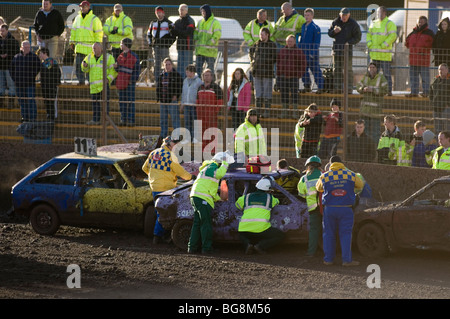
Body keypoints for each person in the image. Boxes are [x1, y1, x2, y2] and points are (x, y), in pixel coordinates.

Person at [142, 136, 195, 244]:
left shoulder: (154, 153)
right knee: (165, 213)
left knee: (159, 211)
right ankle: (158, 236)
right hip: (166, 188)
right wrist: (191, 177)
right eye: (175, 144)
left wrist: (154, 176)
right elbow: (181, 172)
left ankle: (159, 235)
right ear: (169, 144)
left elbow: (144, 168)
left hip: (154, 187)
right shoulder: (170, 156)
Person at [316, 155, 364, 266]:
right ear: (342, 163)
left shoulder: (325, 176)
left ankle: (328, 260)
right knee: (346, 234)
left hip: (329, 209)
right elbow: (360, 185)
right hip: (346, 208)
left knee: (328, 234)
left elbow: (319, 188)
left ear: (330, 163)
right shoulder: (350, 174)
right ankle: (346, 260)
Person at [189, 151, 232, 254]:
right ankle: (206, 248)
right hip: (202, 199)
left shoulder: (207, 168)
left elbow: (210, 189)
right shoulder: (212, 168)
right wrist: (225, 163)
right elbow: (220, 174)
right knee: (206, 224)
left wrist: (218, 198)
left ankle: (192, 248)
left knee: (197, 223)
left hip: (197, 197)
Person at [236, 176, 284, 255]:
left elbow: (237, 205)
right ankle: (260, 246)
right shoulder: (270, 198)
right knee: (280, 236)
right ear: (268, 189)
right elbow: (277, 202)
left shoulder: (246, 197)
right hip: (262, 229)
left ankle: (248, 245)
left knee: (241, 235)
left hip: (245, 229)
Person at [81, 42, 117, 125]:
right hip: (94, 86)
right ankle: (95, 120)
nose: (93, 50)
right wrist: (84, 66)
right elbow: (84, 69)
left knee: (105, 104)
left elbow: (113, 71)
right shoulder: (89, 57)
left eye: (95, 48)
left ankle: (106, 120)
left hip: (104, 85)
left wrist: (108, 79)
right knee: (95, 105)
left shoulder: (108, 57)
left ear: (100, 48)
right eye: (93, 48)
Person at [328, 8, 362, 94]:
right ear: (340, 15)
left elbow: (358, 37)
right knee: (336, 69)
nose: (344, 17)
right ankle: (337, 88)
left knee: (348, 70)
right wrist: (334, 31)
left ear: (349, 15)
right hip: (337, 50)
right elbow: (329, 33)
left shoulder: (353, 24)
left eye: (346, 15)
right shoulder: (335, 22)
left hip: (347, 51)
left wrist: (349, 43)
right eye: (343, 15)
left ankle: (349, 88)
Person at [70, 1, 103, 85]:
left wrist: (98, 44)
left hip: (90, 49)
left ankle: (90, 81)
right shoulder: (77, 18)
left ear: (88, 7)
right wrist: (72, 42)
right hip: (80, 48)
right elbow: (73, 31)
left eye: (84, 6)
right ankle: (81, 81)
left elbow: (99, 33)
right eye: (81, 7)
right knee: (79, 66)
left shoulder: (94, 19)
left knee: (90, 67)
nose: (82, 8)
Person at [366, 6, 397, 96]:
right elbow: (369, 35)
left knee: (386, 74)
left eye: (380, 12)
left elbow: (393, 36)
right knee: (373, 74)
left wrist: (384, 45)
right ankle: (374, 91)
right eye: (377, 12)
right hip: (375, 55)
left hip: (384, 55)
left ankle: (388, 91)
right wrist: (370, 44)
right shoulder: (373, 23)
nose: (378, 14)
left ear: (384, 13)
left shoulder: (389, 24)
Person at [356, 61, 389, 143]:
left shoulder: (381, 78)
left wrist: (374, 90)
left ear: (377, 69)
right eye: (370, 67)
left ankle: (374, 149)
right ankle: (365, 147)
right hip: (365, 111)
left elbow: (385, 89)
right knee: (365, 131)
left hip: (376, 111)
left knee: (375, 133)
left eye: (373, 67)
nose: (371, 69)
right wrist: (363, 89)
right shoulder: (366, 77)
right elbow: (358, 86)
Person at [297, 156, 323, 257]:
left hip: (313, 209)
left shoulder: (304, 179)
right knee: (327, 229)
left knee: (314, 230)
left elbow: (301, 194)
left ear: (308, 166)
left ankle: (311, 252)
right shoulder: (323, 175)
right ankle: (328, 251)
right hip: (325, 207)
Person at [276, 34, 306, 119]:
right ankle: (284, 112)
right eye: (288, 41)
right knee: (284, 94)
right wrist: (279, 75)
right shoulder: (282, 51)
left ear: (294, 42)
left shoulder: (299, 51)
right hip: (283, 77)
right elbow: (278, 64)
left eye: (291, 41)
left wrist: (298, 75)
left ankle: (295, 113)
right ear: (286, 42)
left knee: (294, 95)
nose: (289, 43)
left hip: (294, 77)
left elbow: (303, 64)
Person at [10, 41, 41, 122]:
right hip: (19, 84)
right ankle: (24, 117)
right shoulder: (16, 57)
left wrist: (32, 75)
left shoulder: (34, 57)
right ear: (21, 48)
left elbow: (38, 67)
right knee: (22, 101)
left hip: (29, 83)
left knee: (30, 101)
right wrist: (15, 78)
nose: (27, 49)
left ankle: (32, 118)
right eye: (25, 47)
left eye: (28, 47)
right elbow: (11, 69)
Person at [249, 27, 277, 118]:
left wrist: (265, 61)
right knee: (258, 92)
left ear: (267, 35)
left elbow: (274, 58)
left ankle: (267, 111)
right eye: (260, 34)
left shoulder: (272, 45)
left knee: (267, 92)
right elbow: (251, 53)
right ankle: (258, 111)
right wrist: (253, 62)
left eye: (263, 34)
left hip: (267, 72)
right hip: (257, 72)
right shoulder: (256, 44)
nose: (261, 36)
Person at [405, 16, 434, 98]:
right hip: (413, 59)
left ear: (425, 22)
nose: (419, 23)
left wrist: (423, 48)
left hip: (423, 60)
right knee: (413, 78)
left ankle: (426, 93)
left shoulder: (429, 33)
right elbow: (407, 42)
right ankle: (414, 92)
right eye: (418, 21)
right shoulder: (413, 32)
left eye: (421, 21)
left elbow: (432, 44)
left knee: (425, 78)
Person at [298, 8, 325, 94]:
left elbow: (317, 42)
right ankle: (307, 86)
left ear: (312, 16)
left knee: (316, 70)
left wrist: (312, 53)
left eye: (308, 15)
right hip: (303, 52)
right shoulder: (303, 26)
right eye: (305, 15)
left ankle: (321, 87)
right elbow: (301, 39)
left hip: (311, 54)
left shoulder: (315, 28)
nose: (306, 17)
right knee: (303, 70)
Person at [114, 38, 140, 127]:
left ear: (125, 45)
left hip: (129, 84)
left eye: (121, 43)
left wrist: (131, 81)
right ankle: (123, 119)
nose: (120, 45)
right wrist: (116, 67)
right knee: (122, 103)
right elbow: (119, 69)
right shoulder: (120, 56)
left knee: (130, 102)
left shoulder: (134, 56)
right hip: (121, 83)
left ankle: (131, 120)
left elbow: (137, 71)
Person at [196, 68, 223, 152]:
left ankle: (212, 152)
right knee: (202, 134)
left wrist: (215, 111)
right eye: (204, 75)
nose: (206, 77)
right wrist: (198, 111)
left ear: (211, 77)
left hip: (211, 116)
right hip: (201, 115)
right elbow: (197, 101)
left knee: (212, 133)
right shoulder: (200, 87)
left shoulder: (216, 87)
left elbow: (220, 101)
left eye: (208, 75)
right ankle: (203, 152)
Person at [156, 57, 183, 139]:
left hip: (172, 100)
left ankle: (177, 136)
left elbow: (180, 86)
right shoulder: (161, 75)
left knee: (175, 119)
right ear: (163, 65)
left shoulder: (176, 75)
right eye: (166, 64)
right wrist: (159, 97)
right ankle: (163, 135)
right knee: (163, 119)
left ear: (172, 65)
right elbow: (158, 88)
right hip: (163, 100)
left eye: (169, 64)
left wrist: (176, 95)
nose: (167, 66)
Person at [147, 6, 174, 84]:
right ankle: (157, 81)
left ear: (163, 13)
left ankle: (167, 80)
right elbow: (149, 34)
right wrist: (150, 43)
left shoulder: (168, 23)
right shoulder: (153, 23)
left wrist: (168, 44)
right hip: (155, 47)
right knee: (156, 64)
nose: (159, 14)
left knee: (167, 64)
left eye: (160, 12)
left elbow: (173, 34)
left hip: (164, 47)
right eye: (157, 13)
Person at [194, 4, 221, 77]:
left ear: (208, 12)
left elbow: (217, 34)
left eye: (204, 11)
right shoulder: (200, 22)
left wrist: (210, 43)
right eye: (202, 11)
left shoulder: (215, 22)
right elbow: (196, 32)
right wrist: (195, 39)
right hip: (200, 51)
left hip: (210, 52)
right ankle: (199, 84)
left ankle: (211, 85)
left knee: (210, 70)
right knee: (198, 70)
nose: (203, 13)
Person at [170, 4, 195, 79]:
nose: (181, 11)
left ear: (186, 11)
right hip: (180, 46)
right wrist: (172, 30)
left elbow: (187, 33)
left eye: (182, 10)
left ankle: (188, 80)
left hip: (187, 47)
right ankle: (180, 81)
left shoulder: (190, 20)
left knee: (187, 66)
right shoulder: (177, 21)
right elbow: (175, 33)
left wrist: (177, 31)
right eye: (180, 9)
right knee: (180, 66)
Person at [38, 47, 61, 121]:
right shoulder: (43, 64)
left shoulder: (52, 62)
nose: (40, 55)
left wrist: (56, 82)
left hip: (51, 86)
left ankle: (53, 116)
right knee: (47, 101)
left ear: (45, 53)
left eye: (41, 53)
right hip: (45, 86)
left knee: (52, 101)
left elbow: (57, 73)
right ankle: (49, 115)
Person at [181, 64, 202, 143]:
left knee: (195, 122)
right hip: (186, 104)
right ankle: (187, 138)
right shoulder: (185, 80)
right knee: (187, 122)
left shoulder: (198, 81)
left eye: (188, 72)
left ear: (193, 72)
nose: (187, 74)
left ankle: (195, 137)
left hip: (194, 105)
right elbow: (184, 92)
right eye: (186, 72)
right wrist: (182, 103)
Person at [0, 24, 20, 108]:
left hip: (9, 67)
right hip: (0, 67)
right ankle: (1, 102)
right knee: (1, 85)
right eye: (0, 31)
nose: (1, 32)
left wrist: (7, 54)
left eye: (3, 31)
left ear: (7, 30)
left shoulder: (13, 41)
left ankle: (11, 102)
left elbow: (16, 52)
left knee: (11, 84)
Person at [429, 63, 450, 133]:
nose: (440, 71)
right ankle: (439, 143)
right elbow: (430, 93)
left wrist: (448, 104)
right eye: (439, 69)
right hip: (436, 108)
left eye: (442, 69)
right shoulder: (435, 80)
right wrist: (432, 103)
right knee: (437, 129)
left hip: (446, 108)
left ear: (447, 70)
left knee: (447, 128)